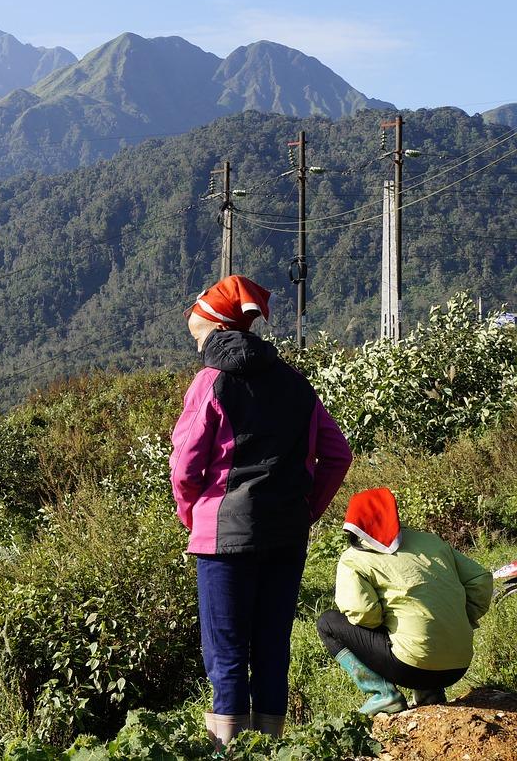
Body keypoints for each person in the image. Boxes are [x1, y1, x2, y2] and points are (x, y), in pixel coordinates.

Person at [170, 275, 353, 745]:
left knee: (226, 654)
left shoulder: (210, 382)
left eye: (196, 325)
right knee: (272, 648)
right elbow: (337, 455)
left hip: (223, 539)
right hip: (286, 533)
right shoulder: (296, 384)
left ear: (213, 326)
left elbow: (186, 466)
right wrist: (306, 510)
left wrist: (194, 516)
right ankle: (271, 750)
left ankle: (229, 752)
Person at [317, 486, 492, 714]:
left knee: (328, 622)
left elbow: (363, 614)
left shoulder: (354, 559)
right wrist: (460, 616)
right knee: (424, 614)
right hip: (459, 665)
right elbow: (481, 580)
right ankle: (431, 693)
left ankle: (384, 695)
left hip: (410, 668)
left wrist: (386, 624)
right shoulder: (431, 541)